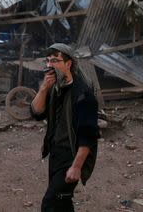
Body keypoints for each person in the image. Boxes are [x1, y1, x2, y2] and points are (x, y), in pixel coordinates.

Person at [31, 43, 99, 212]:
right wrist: (44, 88)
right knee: (63, 202)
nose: (49, 65)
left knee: (49, 204)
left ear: (68, 64)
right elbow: (37, 113)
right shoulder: (55, 88)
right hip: (56, 154)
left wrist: (76, 166)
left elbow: (88, 135)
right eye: (47, 61)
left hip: (71, 156)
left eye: (55, 60)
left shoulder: (83, 94)